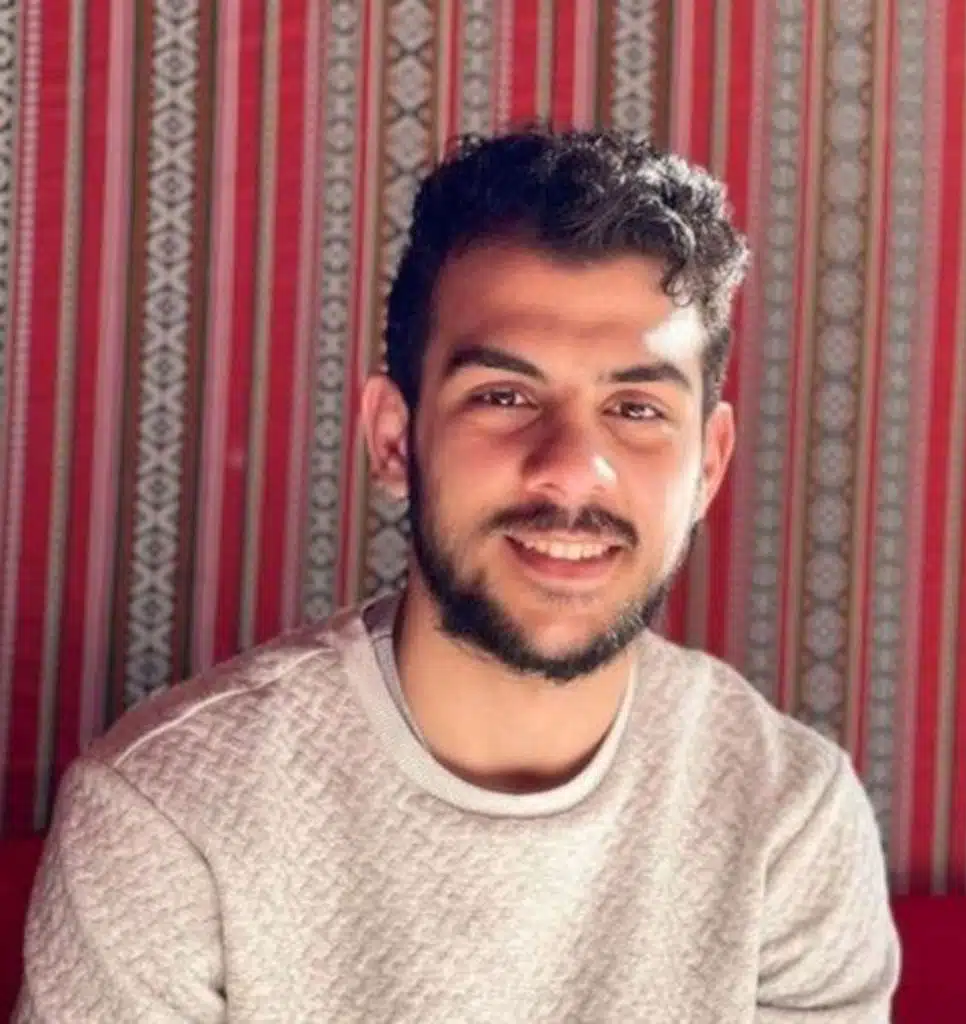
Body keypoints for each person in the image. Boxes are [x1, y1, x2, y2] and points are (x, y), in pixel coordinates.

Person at [16, 127, 900, 1022]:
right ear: (395, 439)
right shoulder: (168, 812)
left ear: (706, 465)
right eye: (504, 397)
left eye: (636, 409)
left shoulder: (789, 820)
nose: (571, 470)